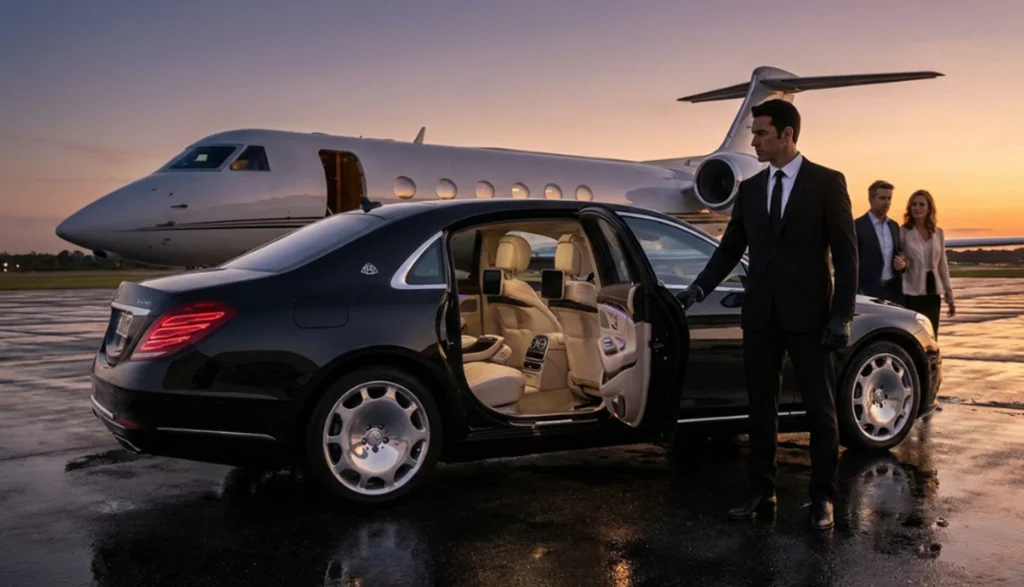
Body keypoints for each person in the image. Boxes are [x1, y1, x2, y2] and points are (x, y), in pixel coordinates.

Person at [678, 99, 857, 531]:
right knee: (761, 409)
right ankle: (761, 492)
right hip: (760, 315)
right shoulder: (752, 189)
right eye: (754, 133)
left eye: (761, 133)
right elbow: (730, 249)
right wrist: (698, 288)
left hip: (810, 317)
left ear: (787, 135)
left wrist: (841, 316)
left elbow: (847, 256)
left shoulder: (826, 182)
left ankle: (823, 498)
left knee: (820, 411)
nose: (754, 141)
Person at [899, 189, 955, 337]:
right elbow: (899, 256)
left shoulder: (938, 233)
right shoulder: (904, 231)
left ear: (929, 208)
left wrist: (949, 296)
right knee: (912, 335)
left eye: (921, 204)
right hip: (911, 292)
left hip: (932, 292)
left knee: (931, 335)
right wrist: (902, 264)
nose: (917, 208)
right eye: (914, 204)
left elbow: (942, 264)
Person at [855, 180, 906, 302]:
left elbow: (900, 252)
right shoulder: (857, 226)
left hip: (893, 291)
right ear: (871, 199)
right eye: (882, 198)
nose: (887, 202)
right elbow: (850, 260)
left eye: (889, 198)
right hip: (867, 292)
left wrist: (903, 264)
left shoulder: (894, 226)